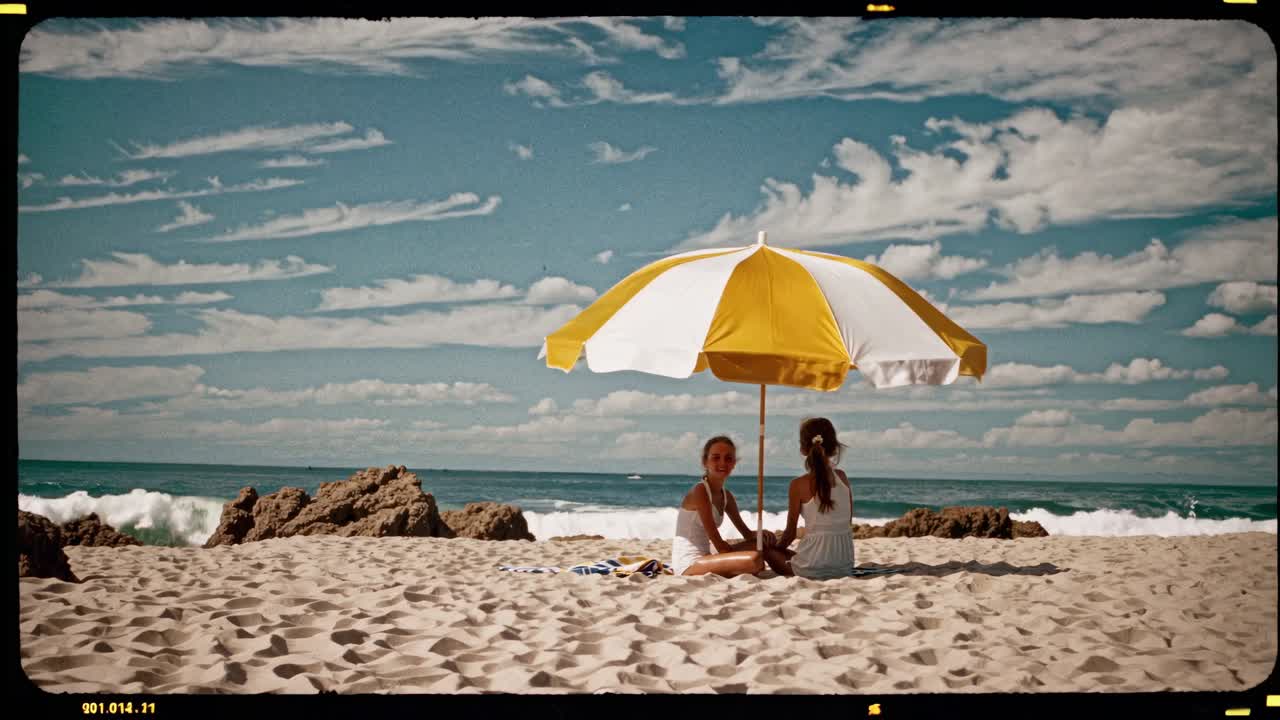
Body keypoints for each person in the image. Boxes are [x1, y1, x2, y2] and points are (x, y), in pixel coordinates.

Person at [671, 435, 792, 577]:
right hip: (689, 563)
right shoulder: (700, 491)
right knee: (754, 559)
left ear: (734, 463)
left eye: (728, 458)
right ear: (705, 462)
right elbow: (719, 545)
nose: (723, 463)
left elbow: (747, 534)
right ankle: (794, 567)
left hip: (707, 557)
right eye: (716, 457)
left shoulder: (726, 496)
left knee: (763, 545)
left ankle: (799, 566)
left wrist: (761, 535)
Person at [771, 418, 854, 579]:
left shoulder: (797, 485)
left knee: (768, 550)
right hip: (844, 565)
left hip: (812, 569)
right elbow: (847, 521)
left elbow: (789, 534)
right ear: (833, 447)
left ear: (803, 448)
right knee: (797, 552)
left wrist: (776, 549)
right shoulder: (842, 477)